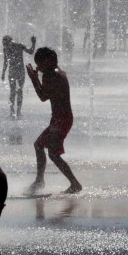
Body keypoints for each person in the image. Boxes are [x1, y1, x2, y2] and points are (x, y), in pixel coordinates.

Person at [26, 47, 82, 194]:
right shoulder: (56, 72)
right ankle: (39, 181)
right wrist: (37, 78)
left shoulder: (52, 76)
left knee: (53, 154)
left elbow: (43, 97)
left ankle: (75, 184)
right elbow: (46, 95)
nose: (38, 67)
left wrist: (34, 79)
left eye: (40, 64)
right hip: (60, 118)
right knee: (39, 145)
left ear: (48, 61)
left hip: (62, 119)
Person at [1, 35, 36, 118]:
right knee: (12, 92)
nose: (5, 46)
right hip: (12, 72)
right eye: (4, 44)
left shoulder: (19, 46)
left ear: (11, 41)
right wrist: (3, 73)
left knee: (19, 91)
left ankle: (19, 111)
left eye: (6, 43)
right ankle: (12, 112)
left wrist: (33, 43)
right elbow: (5, 62)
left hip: (20, 71)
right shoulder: (5, 49)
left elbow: (30, 52)